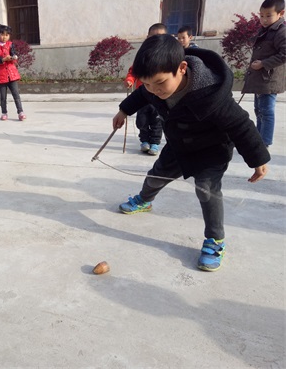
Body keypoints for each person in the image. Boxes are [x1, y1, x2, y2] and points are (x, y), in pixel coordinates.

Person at [111, 34, 270, 271]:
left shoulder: (211, 94)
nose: (154, 91)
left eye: (160, 83)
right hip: (178, 145)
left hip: (211, 149)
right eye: (148, 84)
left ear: (182, 68)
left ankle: (215, 240)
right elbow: (141, 95)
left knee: (206, 189)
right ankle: (145, 200)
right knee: (157, 174)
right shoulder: (153, 86)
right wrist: (124, 111)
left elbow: (241, 125)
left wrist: (258, 158)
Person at [242, 0, 286, 147]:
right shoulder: (265, 31)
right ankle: (259, 138)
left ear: (281, 13)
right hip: (259, 79)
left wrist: (264, 64)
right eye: (261, 16)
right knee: (258, 110)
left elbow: (284, 54)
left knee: (266, 111)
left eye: (268, 15)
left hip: (268, 80)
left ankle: (264, 142)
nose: (264, 19)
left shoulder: (281, 31)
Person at [124, 23, 167, 155]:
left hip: (159, 96)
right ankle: (144, 141)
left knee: (157, 121)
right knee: (141, 121)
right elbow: (133, 70)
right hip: (142, 97)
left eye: (160, 36)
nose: (156, 40)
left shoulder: (167, 55)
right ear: (147, 37)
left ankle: (154, 143)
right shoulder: (143, 55)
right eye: (153, 37)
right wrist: (130, 80)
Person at [0, 24, 26, 121]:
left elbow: (13, 52)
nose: (4, 37)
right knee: (3, 96)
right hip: (1, 75)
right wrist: (3, 59)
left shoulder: (10, 44)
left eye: (7, 35)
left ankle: (20, 112)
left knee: (16, 94)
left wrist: (13, 56)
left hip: (11, 74)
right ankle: (4, 112)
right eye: (2, 34)